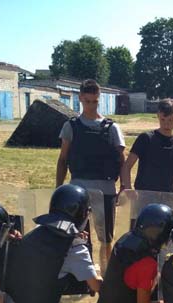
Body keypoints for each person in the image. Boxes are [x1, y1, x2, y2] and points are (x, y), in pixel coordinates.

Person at [5, 184, 103, 303]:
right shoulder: (75, 248)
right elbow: (95, 286)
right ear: (84, 214)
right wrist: (99, 275)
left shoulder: (38, 230)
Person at [57, 79, 126, 274]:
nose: (91, 105)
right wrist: (59, 189)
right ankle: (84, 276)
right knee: (78, 237)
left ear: (99, 98)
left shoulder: (112, 128)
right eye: (87, 101)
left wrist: (124, 187)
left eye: (95, 101)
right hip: (77, 193)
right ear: (80, 98)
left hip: (106, 191)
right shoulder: (70, 126)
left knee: (106, 238)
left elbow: (121, 160)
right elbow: (62, 160)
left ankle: (105, 274)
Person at [121, 98, 173, 199]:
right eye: (163, 119)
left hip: (168, 199)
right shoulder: (145, 139)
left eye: (170, 120)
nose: (166, 124)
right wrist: (128, 189)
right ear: (158, 116)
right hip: (143, 197)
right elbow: (127, 166)